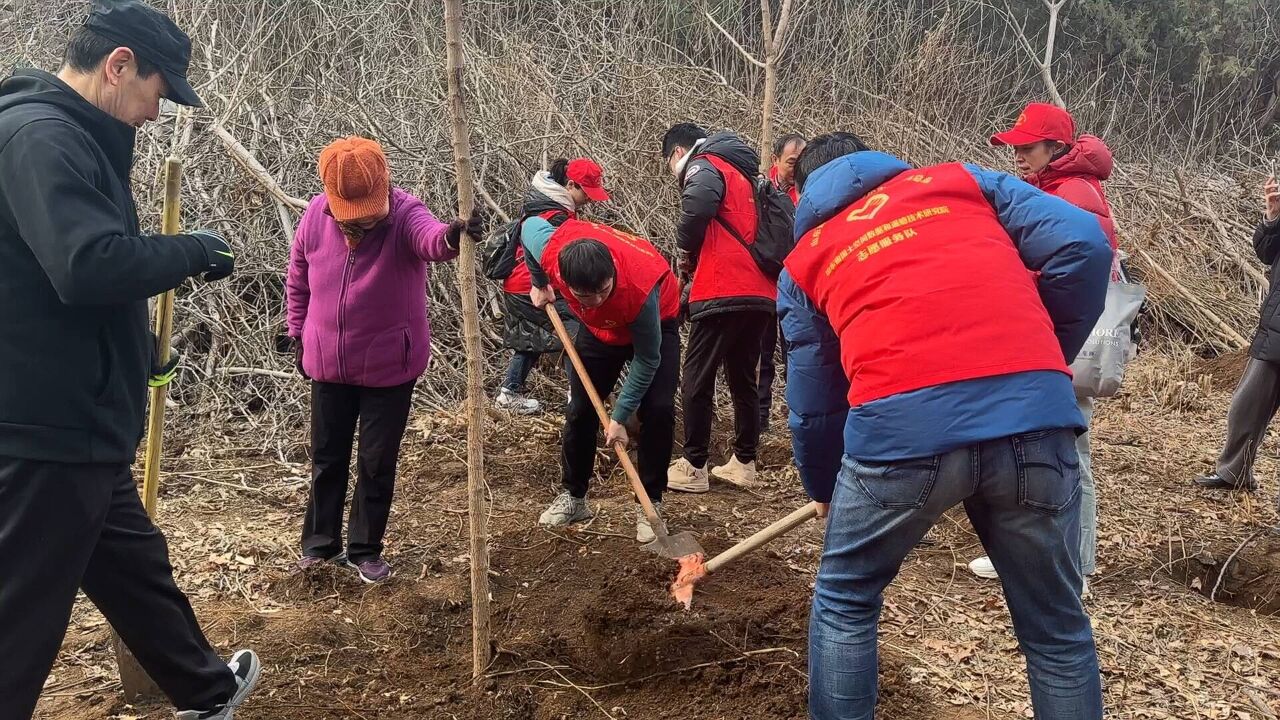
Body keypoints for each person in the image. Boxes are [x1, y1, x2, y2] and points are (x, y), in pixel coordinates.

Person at [782, 132, 1111, 718]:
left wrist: (823, 486)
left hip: (901, 431)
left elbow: (815, 400)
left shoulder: (806, 256)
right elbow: (1084, 243)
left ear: (805, 191)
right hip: (1033, 422)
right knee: (1056, 629)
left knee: (846, 601)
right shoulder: (962, 182)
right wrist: (1040, 361)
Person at [0, 3, 260, 718]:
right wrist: (194, 251)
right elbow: (86, 265)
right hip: (50, 429)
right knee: (18, 622)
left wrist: (133, 350)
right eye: (157, 91)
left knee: (134, 568)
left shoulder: (65, 135)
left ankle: (207, 693)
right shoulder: (40, 137)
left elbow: (35, 281)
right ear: (118, 65)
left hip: (78, 411)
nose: (155, 111)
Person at [286, 136, 479, 583]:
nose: (366, 218)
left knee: (376, 460)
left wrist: (454, 234)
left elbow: (431, 240)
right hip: (327, 362)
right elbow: (298, 276)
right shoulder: (316, 215)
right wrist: (295, 332)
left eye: (371, 208)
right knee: (326, 457)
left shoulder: (406, 212)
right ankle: (319, 546)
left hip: (389, 365)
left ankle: (364, 548)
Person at [970, 102, 1120, 588]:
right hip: (1051, 337)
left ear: (1056, 147)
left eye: (1027, 146)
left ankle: (1074, 561)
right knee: (1041, 450)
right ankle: (1034, 553)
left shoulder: (1073, 193)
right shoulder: (1055, 187)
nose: (1017, 155)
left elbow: (1074, 270)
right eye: (1014, 146)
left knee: (1070, 453)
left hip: (1065, 339)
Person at [526, 219, 681, 542]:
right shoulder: (552, 252)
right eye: (585, 295)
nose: (596, 300)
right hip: (599, 334)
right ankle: (574, 496)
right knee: (580, 409)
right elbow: (527, 229)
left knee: (659, 410)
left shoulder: (638, 288)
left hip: (655, 323)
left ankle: (649, 502)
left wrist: (619, 416)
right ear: (566, 279)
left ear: (611, 272)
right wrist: (540, 282)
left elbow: (648, 358)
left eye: (602, 291)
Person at [661, 123, 775, 492]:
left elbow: (697, 206)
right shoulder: (747, 174)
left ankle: (694, 465)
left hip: (722, 288)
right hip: (760, 291)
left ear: (678, 152)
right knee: (743, 377)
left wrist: (684, 251)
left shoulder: (705, 164)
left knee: (697, 374)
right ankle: (744, 461)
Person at [493, 158, 608, 414]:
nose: (590, 199)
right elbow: (554, 257)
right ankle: (576, 398)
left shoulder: (545, 201)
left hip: (518, 283)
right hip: (530, 284)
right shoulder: (553, 213)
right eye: (586, 192)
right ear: (570, 185)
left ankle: (509, 392)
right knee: (574, 335)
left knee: (532, 337)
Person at [1194, 175, 1280, 493]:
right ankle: (1234, 473)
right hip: (1274, 330)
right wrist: (1272, 217)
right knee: (1246, 408)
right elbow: (1267, 253)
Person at [759, 133, 806, 430]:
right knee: (761, 353)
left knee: (796, 351)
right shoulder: (761, 190)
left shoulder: (809, 190)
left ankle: (798, 415)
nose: (797, 167)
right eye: (791, 162)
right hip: (764, 281)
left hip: (797, 283)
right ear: (776, 160)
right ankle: (759, 418)